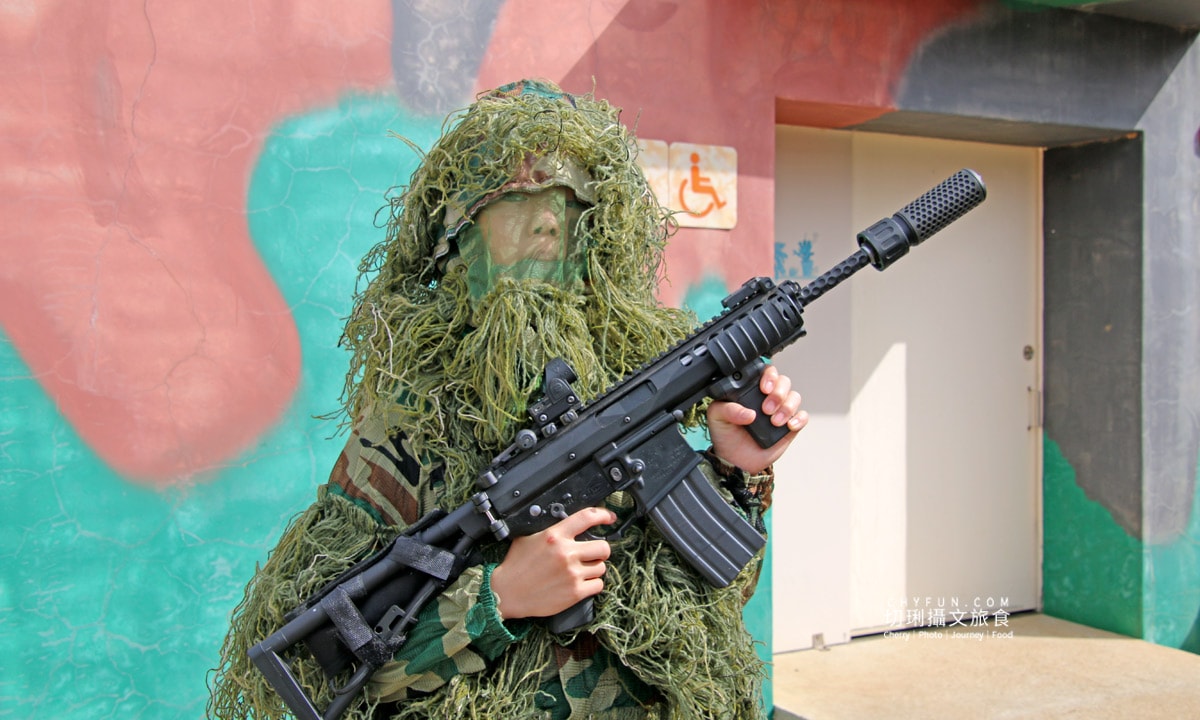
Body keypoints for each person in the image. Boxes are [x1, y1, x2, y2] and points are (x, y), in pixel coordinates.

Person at [209, 78, 807, 720]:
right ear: (460, 238)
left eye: (574, 202)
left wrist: (736, 474)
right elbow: (324, 673)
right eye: (520, 196)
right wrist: (497, 599)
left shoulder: (631, 384)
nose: (550, 222)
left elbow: (711, 603)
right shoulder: (409, 427)